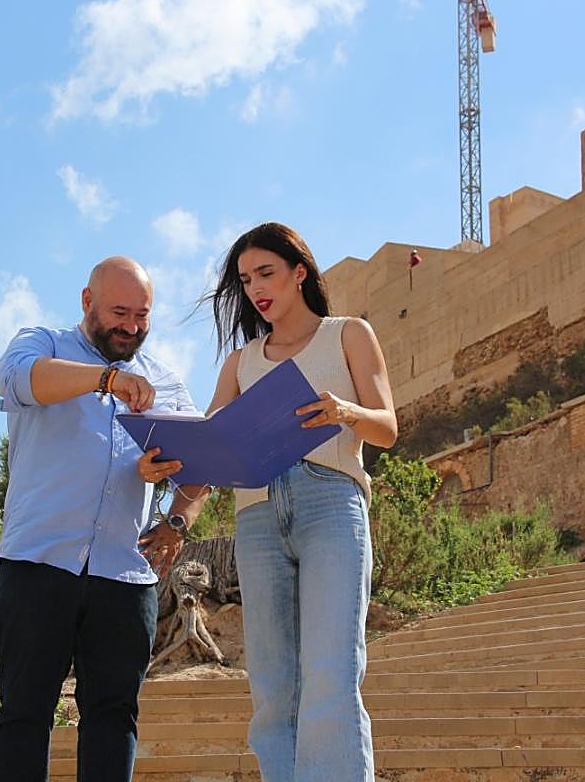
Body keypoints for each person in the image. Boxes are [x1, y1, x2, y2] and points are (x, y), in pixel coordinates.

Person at [139, 222, 397, 782]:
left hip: (330, 502)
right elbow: (209, 456)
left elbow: (388, 427)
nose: (256, 288)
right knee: (273, 688)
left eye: (266, 273)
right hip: (255, 519)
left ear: (298, 271)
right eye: (245, 279)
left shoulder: (348, 334)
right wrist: (176, 523)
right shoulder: (240, 362)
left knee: (331, 674)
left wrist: (344, 413)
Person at [0, 256, 208, 782]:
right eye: (119, 311)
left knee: (114, 717)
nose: (131, 326)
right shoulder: (42, 343)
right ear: (87, 302)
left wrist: (177, 520)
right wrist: (103, 379)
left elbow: (203, 466)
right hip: (37, 561)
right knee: (23, 711)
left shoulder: (166, 382)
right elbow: (15, 379)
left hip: (125, 575)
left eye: (143, 315)